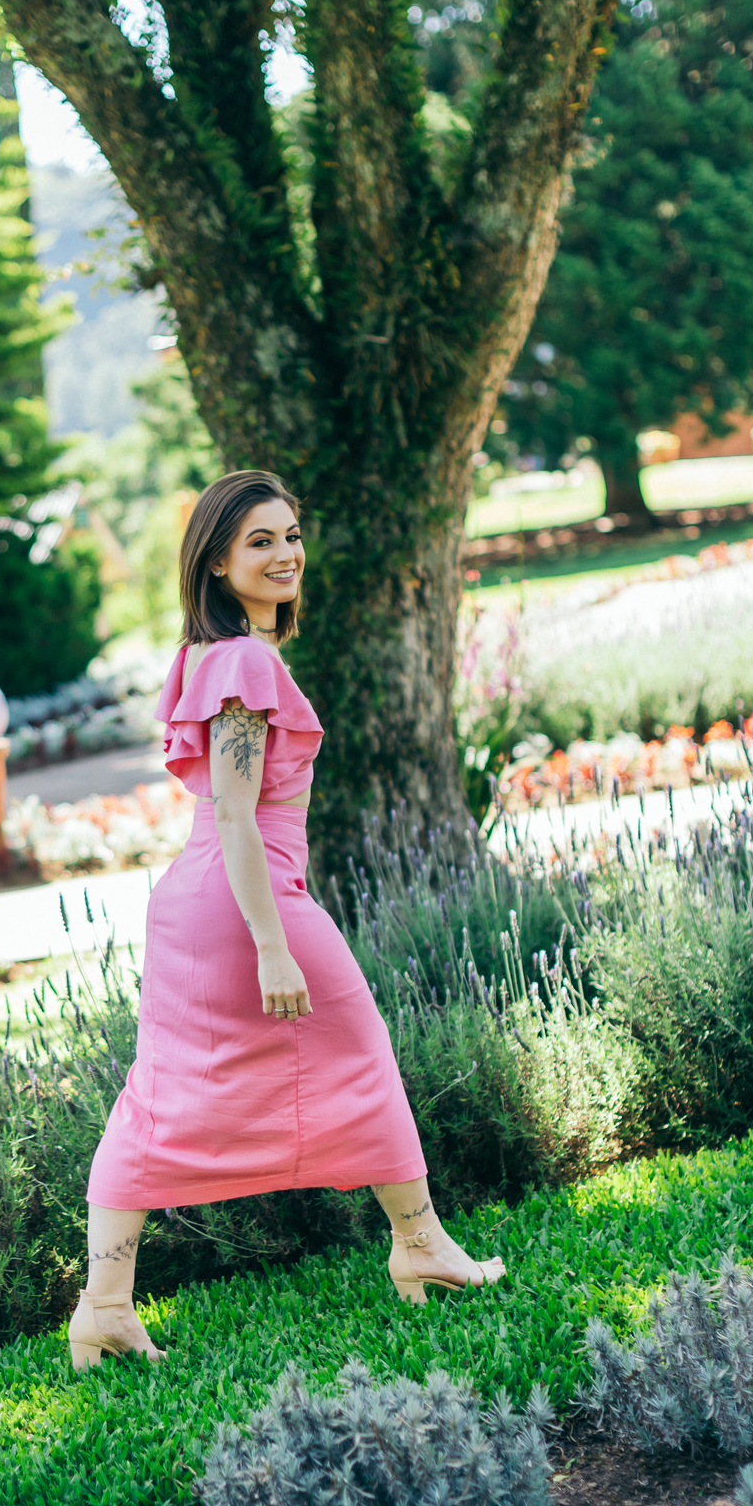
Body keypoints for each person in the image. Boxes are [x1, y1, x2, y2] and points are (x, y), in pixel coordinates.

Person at [67, 470, 504, 1368]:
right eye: (259, 541)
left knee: (160, 1096)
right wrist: (271, 944)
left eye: (292, 534)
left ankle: (105, 1303)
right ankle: (418, 1241)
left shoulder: (208, 656)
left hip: (207, 901)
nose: (285, 553)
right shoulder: (242, 662)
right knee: (361, 1049)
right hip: (247, 899)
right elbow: (234, 811)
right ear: (218, 562)